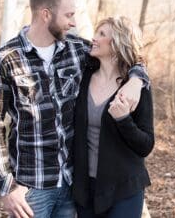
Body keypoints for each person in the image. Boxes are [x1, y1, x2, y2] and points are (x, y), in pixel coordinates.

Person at [0, 0, 148, 218]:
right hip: (31, 188)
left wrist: (137, 78)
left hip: (73, 186)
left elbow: (125, 56)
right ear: (46, 14)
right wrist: (6, 185)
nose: (73, 22)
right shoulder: (4, 59)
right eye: (68, 15)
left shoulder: (77, 50)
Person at [73, 17, 154, 218]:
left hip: (123, 189)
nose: (94, 38)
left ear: (118, 42)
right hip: (85, 188)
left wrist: (123, 119)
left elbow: (146, 145)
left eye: (102, 34)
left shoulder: (135, 87)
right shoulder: (83, 76)